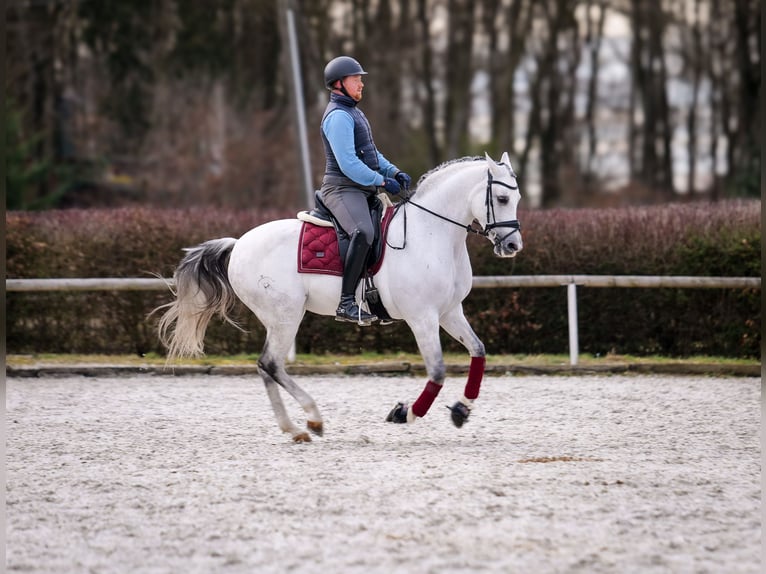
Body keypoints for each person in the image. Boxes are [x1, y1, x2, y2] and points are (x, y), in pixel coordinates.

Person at [319, 56, 412, 325]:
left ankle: (377, 298)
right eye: (356, 78)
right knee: (364, 232)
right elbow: (348, 164)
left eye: (361, 78)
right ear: (339, 84)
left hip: (362, 188)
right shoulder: (338, 117)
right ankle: (346, 303)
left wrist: (393, 171)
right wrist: (382, 182)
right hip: (342, 189)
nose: (361, 83)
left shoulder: (354, 112)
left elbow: (371, 154)